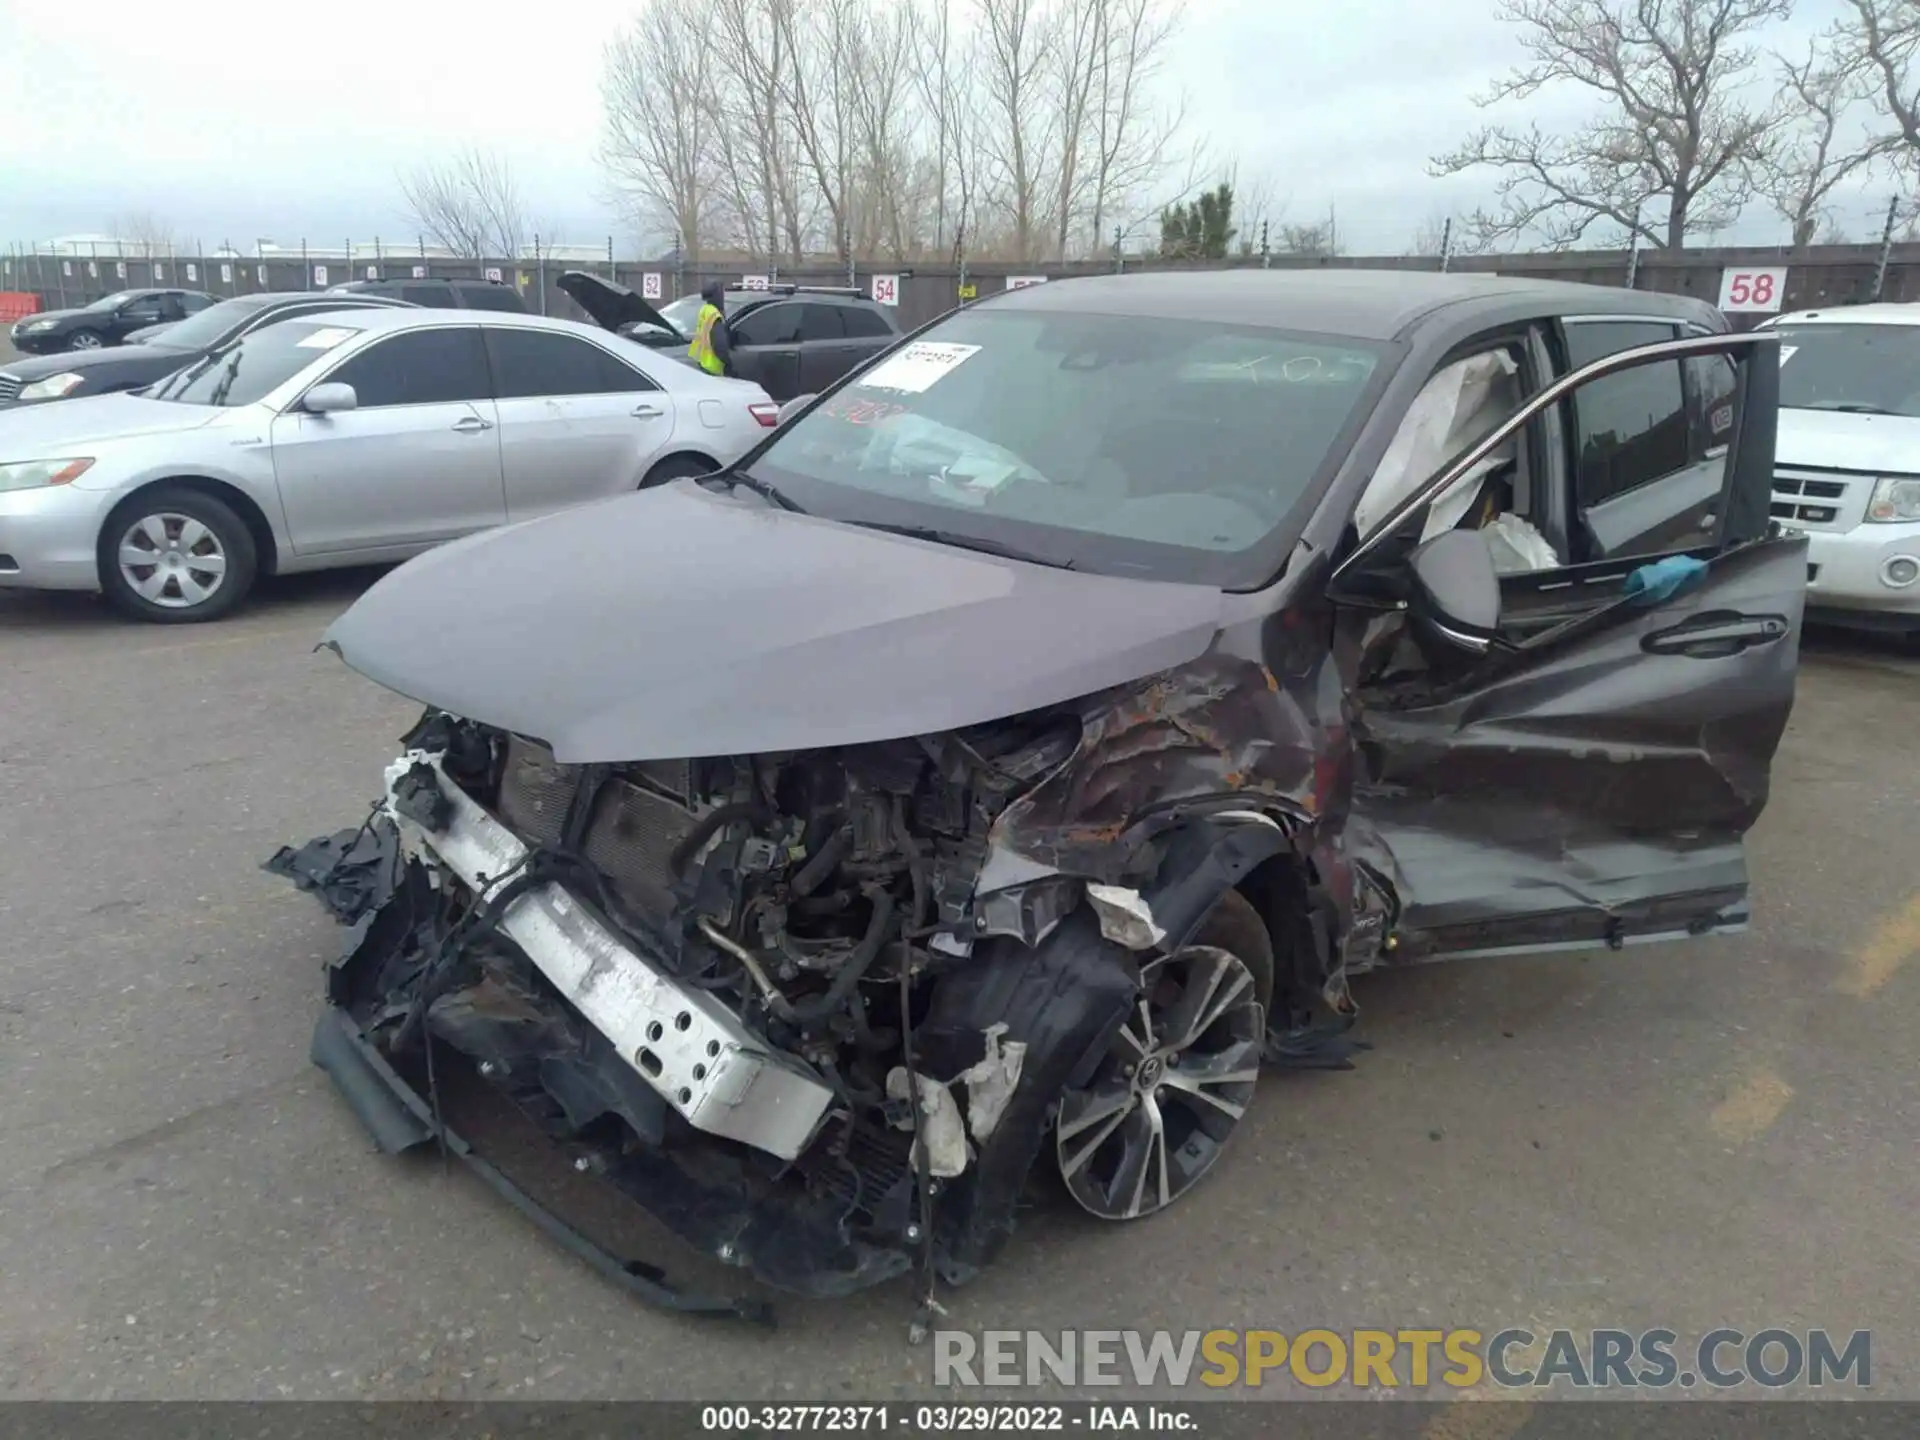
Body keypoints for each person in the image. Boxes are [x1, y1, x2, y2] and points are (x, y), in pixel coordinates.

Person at [687, 282, 734, 377]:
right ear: (717, 295)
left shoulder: (705, 309)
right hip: (714, 367)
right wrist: (729, 363)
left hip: (703, 362)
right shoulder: (714, 315)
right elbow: (719, 345)